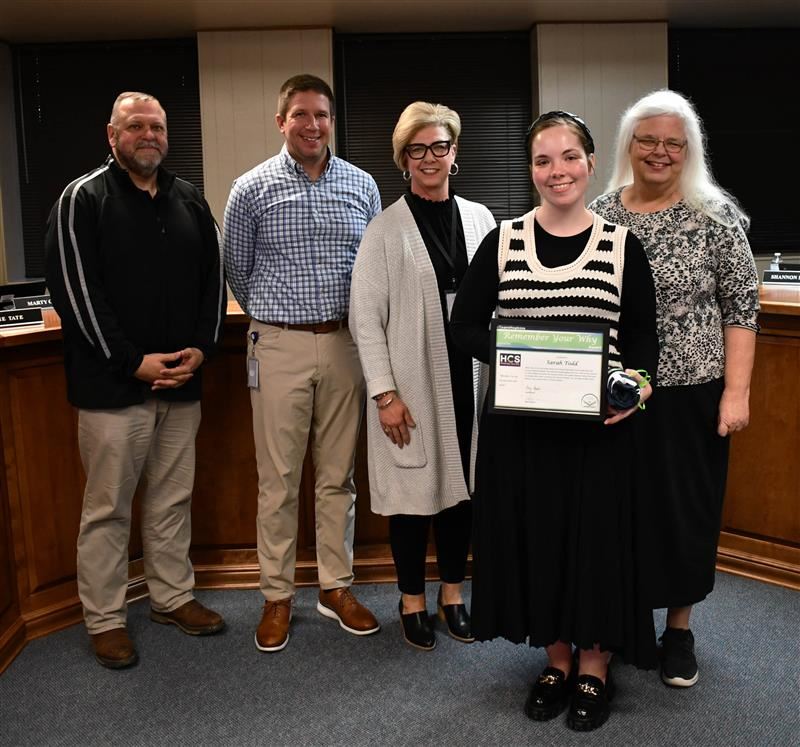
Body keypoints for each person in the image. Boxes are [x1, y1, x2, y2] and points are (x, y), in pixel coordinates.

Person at [450, 111, 658, 731]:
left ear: (591, 164)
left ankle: (595, 664)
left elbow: (646, 351)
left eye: (569, 157)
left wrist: (635, 395)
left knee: (594, 541)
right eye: (543, 160)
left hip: (599, 430)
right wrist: (519, 359)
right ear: (531, 169)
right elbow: (463, 327)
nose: (557, 171)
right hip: (524, 430)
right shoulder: (504, 240)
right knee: (538, 538)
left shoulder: (623, 246)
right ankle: (558, 659)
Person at [44, 91, 227, 669]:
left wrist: (202, 348)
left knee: (172, 499)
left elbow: (212, 281)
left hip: (183, 384)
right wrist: (131, 361)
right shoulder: (83, 199)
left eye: (158, 126)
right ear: (111, 134)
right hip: (113, 388)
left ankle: (171, 597)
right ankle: (104, 618)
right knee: (108, 509)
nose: (149, 135)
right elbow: (77, 294)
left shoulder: (189, 199)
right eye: (136, 126)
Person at [589, 90, 759, 689]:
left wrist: (735, 394)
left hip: (694, 394)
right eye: (648, 140)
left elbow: (742, 310)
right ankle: (623, 623)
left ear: (688, 152)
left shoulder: (715, 218)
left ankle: (679, 630)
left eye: (672, 143)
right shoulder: (604, 214)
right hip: (622, 393)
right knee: (623, 513)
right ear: (629, 147)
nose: (659, 152)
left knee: (685, 513)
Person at [223, 74, 382, 653]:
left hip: (345, 343)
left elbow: (372, 266)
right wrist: (275, 318)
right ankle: (277, 595)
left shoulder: (361, 185)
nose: (312, 125)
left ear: (331, 121)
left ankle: (335, 587)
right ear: (281, 121)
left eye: (321, 115)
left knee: (338, 475)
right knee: (279, 480)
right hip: (279, 344)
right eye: (300, 114)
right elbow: (235, 269)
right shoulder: (251, 188)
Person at [349, 102, 495, 650]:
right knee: (413, 496)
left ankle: (452, 594)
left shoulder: (482, 219)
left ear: (454, 153)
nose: (430, 158)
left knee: (463, 495)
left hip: (471, 378)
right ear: (402, 159)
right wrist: (385, 394)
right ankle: (411, 599)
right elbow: (365, 319)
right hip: (411, 383)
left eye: (440, 146)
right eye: (418, 149)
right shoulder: (384, 230)